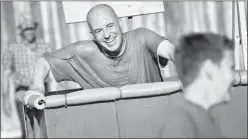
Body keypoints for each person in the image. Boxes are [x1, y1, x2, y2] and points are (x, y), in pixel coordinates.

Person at [28, 4, 177, 100]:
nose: (106, 35)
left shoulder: (142, 37)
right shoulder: (83, 52)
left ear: (120, 23)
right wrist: (38, 88)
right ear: (92, 35)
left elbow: (171, 51)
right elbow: (44, 62)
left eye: (110, 25)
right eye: (98, 31)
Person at [157, 33, 235, 138]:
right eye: (229, 68)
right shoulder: (179, 124)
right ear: (209, 71)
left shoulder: (205, 121)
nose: (233, 77)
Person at [2, 12, 51, 138]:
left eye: (31, 28)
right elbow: (6, 75)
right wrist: (6, 99)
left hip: (41, 89)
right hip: (22, 91)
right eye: (25, 29)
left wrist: (55, 89)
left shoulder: (44, 46)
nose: (29, 31)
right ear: (21, 31)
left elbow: (52, 70)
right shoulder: (12, 49)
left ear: (35, 28)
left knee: (45, 126)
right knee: (27, 128)